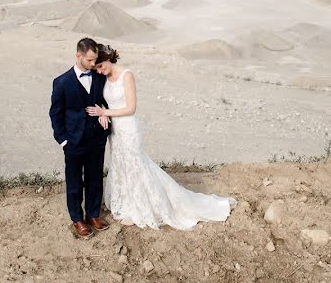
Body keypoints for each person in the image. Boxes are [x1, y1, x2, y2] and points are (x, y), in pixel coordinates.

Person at [86, 44, 235, 230]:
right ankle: (126, 202)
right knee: (120, 163)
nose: (99, 71)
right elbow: (102, 102)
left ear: (107, 58)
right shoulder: (105, 79)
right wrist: (102, 113)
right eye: (96, 69)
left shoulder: (127, 75)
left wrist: (105, 111)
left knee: (135, 163)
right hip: (115, 130)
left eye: (100, 66)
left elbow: (131, 108)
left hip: (128, 127)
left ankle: (138, 208)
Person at [49, 37, 112, 239]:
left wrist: (104, 112)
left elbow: (107, 101)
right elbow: (55, 114)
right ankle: (77, 219)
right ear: (79, 56)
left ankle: (93, 214)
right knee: (74, 182)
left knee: (95, 179)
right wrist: (63, 140)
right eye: (90, 60)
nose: (94, 64)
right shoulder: (61, 83)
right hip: (73, 142)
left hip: (96, 139)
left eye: (95, 60)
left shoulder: (99, 77)